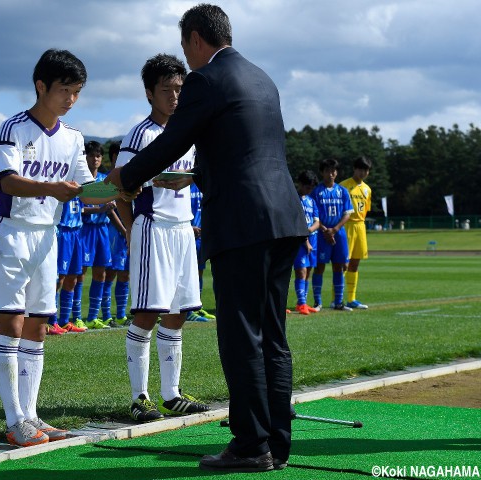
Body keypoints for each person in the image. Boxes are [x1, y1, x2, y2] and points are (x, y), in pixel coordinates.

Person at [106, 5, 308, 472]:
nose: (186, 60)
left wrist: (126, 176)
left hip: (242, 222)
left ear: (196, 39)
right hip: (284, 218)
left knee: (240, 335)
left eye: (185, 49)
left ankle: (250, 445)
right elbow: (244, 150)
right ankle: (277, 442)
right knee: (273, 336)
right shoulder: (262, 78)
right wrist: (197, 176)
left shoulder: (207, 80)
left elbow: (172, 140)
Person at [0, 48, 120, 447]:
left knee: (38, 327)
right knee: (13, 324)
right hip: (12, 234)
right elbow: (8, 181)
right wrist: (51, 189)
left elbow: (88, 191)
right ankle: (13, 419)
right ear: (41, 86)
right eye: (65, 90)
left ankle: (32, 415)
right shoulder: (13, 129)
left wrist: (127, 185)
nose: (71, 99)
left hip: (47, 238)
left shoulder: (73, 138)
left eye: (77, 92)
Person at [115, 53, 210, 423]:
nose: (174, 96)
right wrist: (129, 232)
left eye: (179, 89)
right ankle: (140, 397)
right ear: (149, 94)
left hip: (183, 229)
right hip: (152, 228)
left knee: (179, 312)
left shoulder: (190, 131)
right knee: (147, 312)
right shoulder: (140, 135)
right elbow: (119, 184)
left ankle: (171, 394)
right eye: (166, 90)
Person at [80, 141, 118, 329]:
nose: (95, 159)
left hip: (102, 231)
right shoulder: (81, 180)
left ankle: (93, 317)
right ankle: (75, 316)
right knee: (79, 274)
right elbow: (78, 209)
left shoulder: (105, 179)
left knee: (101, 273)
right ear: (85, 157)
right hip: (85, 231)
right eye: (91, 155)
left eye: (98, 156)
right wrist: (100, 208)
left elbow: (109, 208)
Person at [311, 158, 354, 311]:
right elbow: (314, 214)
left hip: (339, 233)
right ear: (322, 172)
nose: (331, 174)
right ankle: (318, 302)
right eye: (328, 170)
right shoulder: (317, 192)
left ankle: (338, 302)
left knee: (339, 266)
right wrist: (325, 229)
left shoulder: (342, 191)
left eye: (334, 171)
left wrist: (335, 229)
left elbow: (347, 213)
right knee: (320, 267)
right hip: (322, 234)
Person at [47, 196, 88, 335]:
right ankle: (51, 321)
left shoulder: (80, 182)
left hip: (77, 231)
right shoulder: (61, 180)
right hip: (63, 231)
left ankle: (64, 321)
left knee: (73, 278)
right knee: (59, 278)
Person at [102, 141, 131, 326]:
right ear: (114, 156)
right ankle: (105, 316)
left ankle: (121, 314)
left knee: (125, 274)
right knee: (110, 273)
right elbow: (108, 209)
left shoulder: (131, 177)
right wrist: (125, 229)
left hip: (127, 230)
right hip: (114, 233)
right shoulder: (108, 179)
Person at [340, 156, 373, 309]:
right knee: (343, 264)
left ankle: (351, 298)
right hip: (347, 226)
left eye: (365, 170)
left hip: (360, 226)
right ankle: (338, 300)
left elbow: (365, 210)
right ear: (354, 168)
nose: (362, 172)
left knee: (355, 263)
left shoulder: (367, 189)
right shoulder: (343, 186)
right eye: (360, 169)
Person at [292, 170, 320, 315]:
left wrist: (309, 231)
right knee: (301, 271)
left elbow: (317, 221)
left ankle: (302, 302)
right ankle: (301, 303)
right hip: (299, 241)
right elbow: (295, 221)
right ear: (300, 184)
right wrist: (305, 238)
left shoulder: (311, 201)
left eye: (311, 188)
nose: (309, 190)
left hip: (312, 239)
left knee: (308, 271)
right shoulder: (293, 199)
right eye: (307, 187)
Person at [187, 182, 214, 322]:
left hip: (201, 236)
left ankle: (196, 307)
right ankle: (188, 311)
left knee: (199, 271)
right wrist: (189, 227)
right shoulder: (182, 187)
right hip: (186, 233)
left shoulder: (201, 185)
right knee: (187, 273)